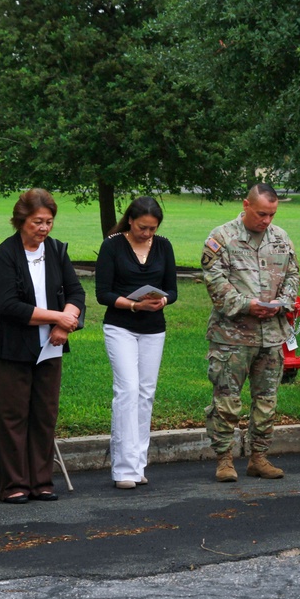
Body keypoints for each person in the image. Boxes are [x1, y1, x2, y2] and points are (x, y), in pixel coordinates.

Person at [0, 189, 85, 503]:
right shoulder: (4, 254)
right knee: (13, 416)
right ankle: (13, 484)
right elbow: (8, 305)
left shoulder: (56, 251)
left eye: (49, 222)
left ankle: (41, 481)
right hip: (12, 349)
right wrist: (57, 317)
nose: (44, 228)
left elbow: (76, 293)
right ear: (21, 221)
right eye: (37, 222)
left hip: (51, 348)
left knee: (45, 415)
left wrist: (65, 324)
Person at [201, 184, 300, 482]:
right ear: (245, 205)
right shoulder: (221, 238)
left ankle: (259, 456)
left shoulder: (281, 238)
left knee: (267, 401)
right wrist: (247, 305)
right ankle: (224, 459)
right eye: (261, 214)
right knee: (227, 400)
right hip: (232, 337)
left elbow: (293, 275)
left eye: (272, 214)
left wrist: (283, 302)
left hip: (271, 335)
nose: (266, 221)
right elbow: (214, 281)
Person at [96, 197, 178, 489]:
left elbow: (172, 289)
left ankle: (138, 463)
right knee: (127, 390)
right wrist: (132, 305)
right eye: (143, 227)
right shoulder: (112, 245)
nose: (147, 234)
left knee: (145, 394)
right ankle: (123, 469)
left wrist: (161, 300)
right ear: (130, 220)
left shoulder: (164, 246)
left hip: (154, 328)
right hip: (121, 326)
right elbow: (102, 293)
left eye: (152, 229)